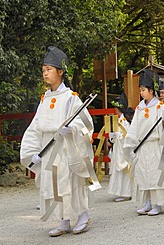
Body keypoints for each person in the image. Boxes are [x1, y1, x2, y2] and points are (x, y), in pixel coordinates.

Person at [20, 46, 95, 236]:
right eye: (43, 70)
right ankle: (64, 220)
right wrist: (33, 152)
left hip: (67, 146)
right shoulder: (45, 98)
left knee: (72, 182)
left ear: (60, 72)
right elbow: (36, 126)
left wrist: (74, 129)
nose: (45, 73)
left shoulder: (71, 98)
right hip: (49, 146)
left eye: (49, 69)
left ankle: (83, 215)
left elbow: (85, 122)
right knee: (53, 183)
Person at [122, 69, 164, 216]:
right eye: (140, 90)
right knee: (144, 174)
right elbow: (134, 128)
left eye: (143, 90)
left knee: (156, 174)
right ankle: (147, 202)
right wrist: (130, 143)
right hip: (143, 146)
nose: (141, 93)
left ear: (151, 90)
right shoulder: (139, 108)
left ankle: (158, 204)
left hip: (156, 145)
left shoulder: (160, 107)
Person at [107, 100, 132, 202]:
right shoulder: (118, 121)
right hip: (118, 148)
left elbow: (128, 135)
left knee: (124, 171)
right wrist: (112, 136)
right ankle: (121, 191)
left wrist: (119, 136)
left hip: (123, 149)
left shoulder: (125, 122)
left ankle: (126, 193)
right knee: (118, 170)